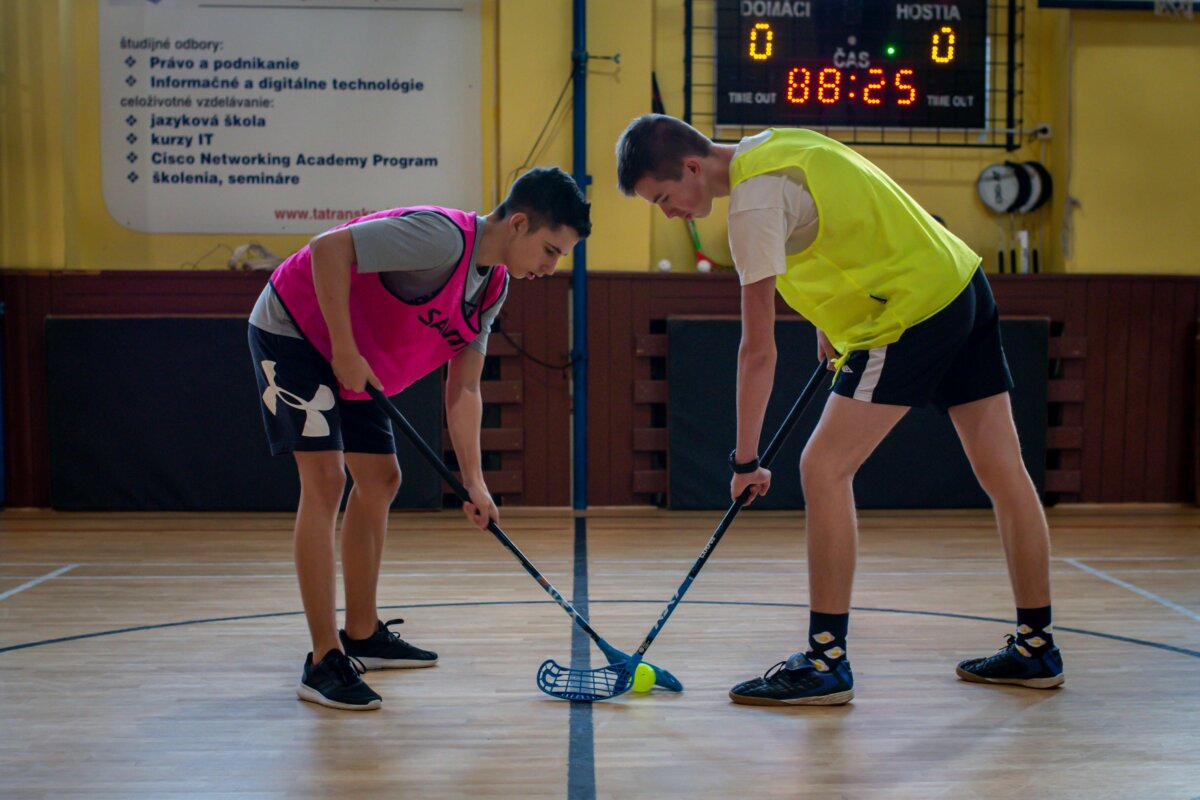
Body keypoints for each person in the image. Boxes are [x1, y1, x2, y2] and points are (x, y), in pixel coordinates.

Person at [615, 116, 1061, 706]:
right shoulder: (778, 145)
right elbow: (850, 220)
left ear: (693, 168)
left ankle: (826, 661)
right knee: (1004, 470)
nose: (669, 213)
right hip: (960, 282)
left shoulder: (750, 206)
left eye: (664, 198)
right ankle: (1037, 648)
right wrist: (830, 321)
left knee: (822, 467)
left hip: (910, 311)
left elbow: (757, 351)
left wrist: (745, 460)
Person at [247, 167, 591, 710]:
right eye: (550, 250)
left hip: (353, 353)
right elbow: (328, 250)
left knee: (381, 479)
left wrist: (474, 483)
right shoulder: (440, 238)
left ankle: (362, 632)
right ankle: (322, 659)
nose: (550, 267)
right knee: (326, 480)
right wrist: (342, 348)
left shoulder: (494, 285)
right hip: (296, 330)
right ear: (519, 223)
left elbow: (464, 389)